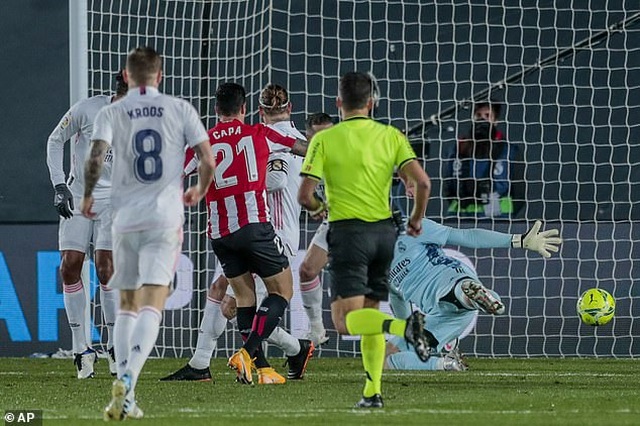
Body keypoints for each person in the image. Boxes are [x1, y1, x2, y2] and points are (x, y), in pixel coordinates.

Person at [81, 46, 216, 420]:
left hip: (124, 219)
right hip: (164, 218)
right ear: (160, 75)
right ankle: (128, 378)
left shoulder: (112, 110)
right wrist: (200, 190)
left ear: (126, 76)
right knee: (152, 303)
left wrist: (89, 194)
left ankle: (126, 392)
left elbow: (95, 157)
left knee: (126, 305)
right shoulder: (180, 108)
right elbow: (207, 158)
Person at [160, 83, 314, 383]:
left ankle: (222, 361)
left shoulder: (203, 141)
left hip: (228, 231)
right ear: (245, 110)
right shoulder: (264, 136)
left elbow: (173, 174)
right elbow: (296, 160)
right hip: (256, 227)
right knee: (250, 298)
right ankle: (272, 353)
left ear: (216, 110)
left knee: (233, 300)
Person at [297, 71, 432, 408]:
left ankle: (404, 329)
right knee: (371, 312)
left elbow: (304, 196)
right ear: (372, 103)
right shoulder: (391, 136)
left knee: (344, 322)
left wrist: (318, 207)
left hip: (348, 233)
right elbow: (423, 184)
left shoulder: (324, 140)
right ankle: (372, 392)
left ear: (339, 103)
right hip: (385, 233)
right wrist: (415, 220)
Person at [201, 82, 308, 386]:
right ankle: (267, 359)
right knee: (242, 300)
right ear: (291, 108)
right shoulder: (276, 138)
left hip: (260, 231)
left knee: (238, 302)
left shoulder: (264, 138)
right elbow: (291, 168)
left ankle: (268, 356)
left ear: (259, 110)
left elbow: (275, 179)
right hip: (262, 229)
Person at [387, 219, 562, 369]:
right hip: (446, 317)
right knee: (385, 358)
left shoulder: (411, 227)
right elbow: (396, 297)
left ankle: (468, 295)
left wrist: (518, 240)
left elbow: (467, 236)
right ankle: (446, 364)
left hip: (446, 278)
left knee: (450, 291)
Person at [46, 70, 127, 379]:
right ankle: (81, 349)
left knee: (107, 267)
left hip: (114, 201)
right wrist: (58, 186)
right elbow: (55, 140)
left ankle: (114, 345)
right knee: (69, 265)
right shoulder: (87, 108)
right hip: (79, 195)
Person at [443, 101, 523, 218]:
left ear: (495, 120)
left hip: (497, 216)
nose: (482, 120)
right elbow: (448, 184)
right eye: (478, 115)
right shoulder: (458, 148)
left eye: (487, 116)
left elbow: (519, 192)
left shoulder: (509, 151)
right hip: (461, 215)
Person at [297, 112, 334, 345]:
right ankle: (317, 330)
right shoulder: (301, 158)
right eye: (319, 135)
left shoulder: (347, 151)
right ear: (308, 137)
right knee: (307, 270)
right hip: (336, 222)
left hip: (365, 221)